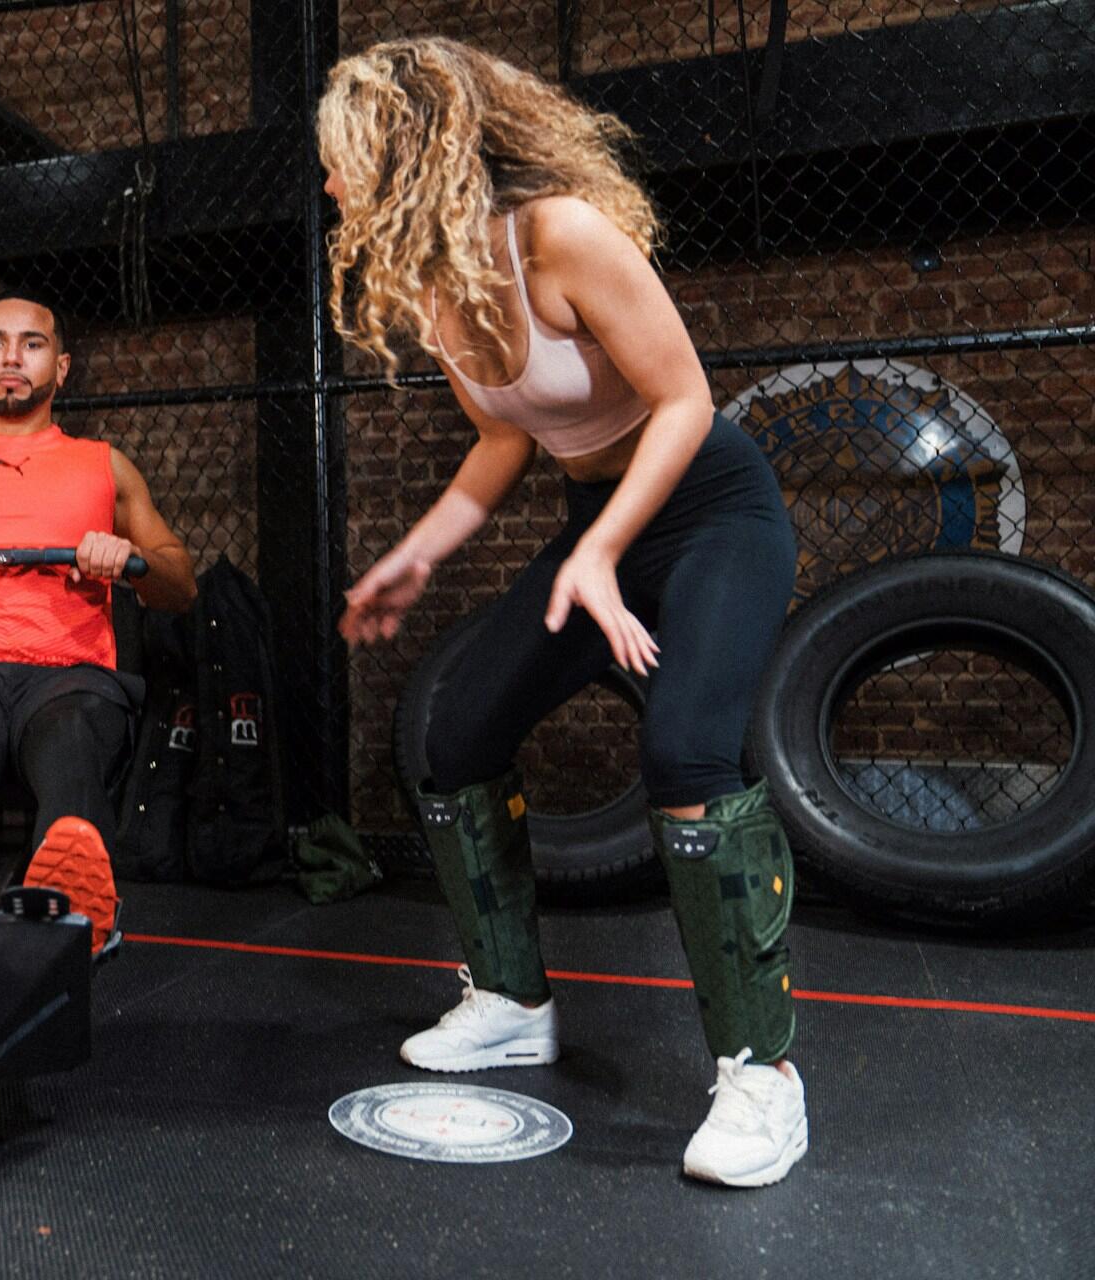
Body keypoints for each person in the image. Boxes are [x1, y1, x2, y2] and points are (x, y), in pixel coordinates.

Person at [318, 37, 806, 1186]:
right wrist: (416, 556)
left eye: (338, 160)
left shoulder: (563, 234)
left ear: (402, 149)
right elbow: (504, 440)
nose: (329, 185)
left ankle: (763, 1075)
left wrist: (600, 547)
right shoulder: (434, 273)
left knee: (685, 746)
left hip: (710, 512)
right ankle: (510, 1000)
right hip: (602, 532)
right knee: (459, 731)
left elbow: (684, 399)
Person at [0, 290, 197, 954]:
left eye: (32, 343)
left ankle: (72, 923)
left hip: (69, 681)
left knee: (76, 740)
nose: (12, 357)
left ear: (62, 366)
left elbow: (182, 587)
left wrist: (132, 560)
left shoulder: (104, 465)